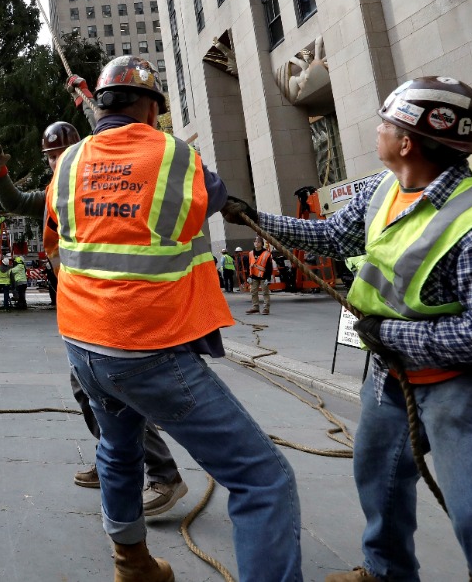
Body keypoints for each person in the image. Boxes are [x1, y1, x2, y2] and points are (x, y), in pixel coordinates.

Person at [224, 76, 472, 582]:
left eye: (385, 124)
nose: (376, 131)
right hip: (395, 376)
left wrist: (395, 337)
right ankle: (386, 572)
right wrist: (251, 216)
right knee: (378, 478)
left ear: (406, 142)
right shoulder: (386, 190)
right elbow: (333, 235)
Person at [47, 55, 301, 582]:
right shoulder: (173, 155)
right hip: (146, 347)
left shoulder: (67, 163)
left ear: (102, 104)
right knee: (263, 478)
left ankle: (132, 564)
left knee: (117, 450)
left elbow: (59, 236)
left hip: (82, 344)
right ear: (151, 107)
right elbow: (216, 194)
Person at [0, 117, 189, 505]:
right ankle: (114, 456)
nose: (54, 162)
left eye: (59, 153)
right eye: (50, 157)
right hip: (79, 307)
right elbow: (14, 202)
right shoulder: (55, 191)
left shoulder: (95, 188)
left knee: (117, 385)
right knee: (87, 387)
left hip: (110, 305)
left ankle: (163, 473)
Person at [246, 237, 278, 315]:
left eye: (258, 242)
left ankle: (266, 308)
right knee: (253, 292)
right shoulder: (250, 253)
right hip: (253, 276)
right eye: (255, 242)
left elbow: (269, 267)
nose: (256, 243)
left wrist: (268, 278)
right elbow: (249, 265)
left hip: (263, 276)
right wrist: (248, 276)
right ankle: (255, 307)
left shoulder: (267, 254)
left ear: (261, 244)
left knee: (265, 293)